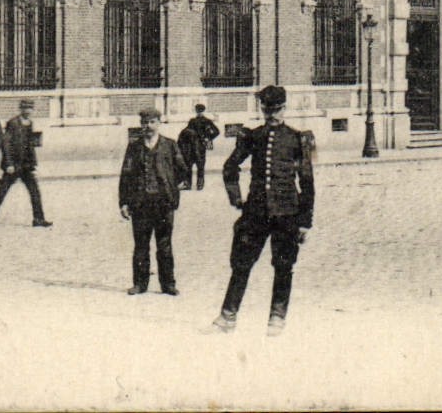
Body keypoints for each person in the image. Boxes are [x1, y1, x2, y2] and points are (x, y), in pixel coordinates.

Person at [211, 85, 315, 336]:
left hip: (287, 214)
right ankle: (227, 317)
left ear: (284, 108)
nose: (272, 115)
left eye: (277, 110)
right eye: (267, 110)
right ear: (262, 110)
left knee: (283, 266)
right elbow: (230, 167)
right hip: (256, 213)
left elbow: (307, 182)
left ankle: (277, 318)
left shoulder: (297, 139)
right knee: (241, 264)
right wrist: (237, 199)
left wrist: (305, 222)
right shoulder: (252, 137)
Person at [119, 107, 189, 295]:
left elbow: (182, 169)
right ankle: (140, 284)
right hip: (140, 204)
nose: (148, 126)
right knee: (141, 245)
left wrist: (179, 184)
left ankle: (168, 284)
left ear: (159, 123)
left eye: (152, 122)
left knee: (164, 245)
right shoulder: (134, 147)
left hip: (163, 203)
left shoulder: (170, 145)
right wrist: (124, 203)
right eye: (144, 122)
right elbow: (125, 175)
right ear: (140, 124)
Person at [0, 99, 51, 227]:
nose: (28, 111)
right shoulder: (13, 123)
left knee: (35, 192)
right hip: (14, 165)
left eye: (30, 108)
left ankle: (38, 219)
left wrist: (33, 164)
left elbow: (29, 145)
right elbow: (6, 144)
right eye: (26, 108)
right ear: (21, 109)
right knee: (3, 190)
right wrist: (9, 164)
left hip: (26, 165)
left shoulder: (30, 123)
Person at [177, 103, 221, 190]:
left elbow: (216, 131)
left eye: (200, 111)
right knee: (195, 165)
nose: (199, 112)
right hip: (195, 146)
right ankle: (197, 184)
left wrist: (208, 138)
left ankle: (193, 184)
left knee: (195, 165)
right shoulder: (194, 121)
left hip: (199, 146)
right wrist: (208, 138)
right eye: (198, 111)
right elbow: (216, 132)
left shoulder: (204, 121)